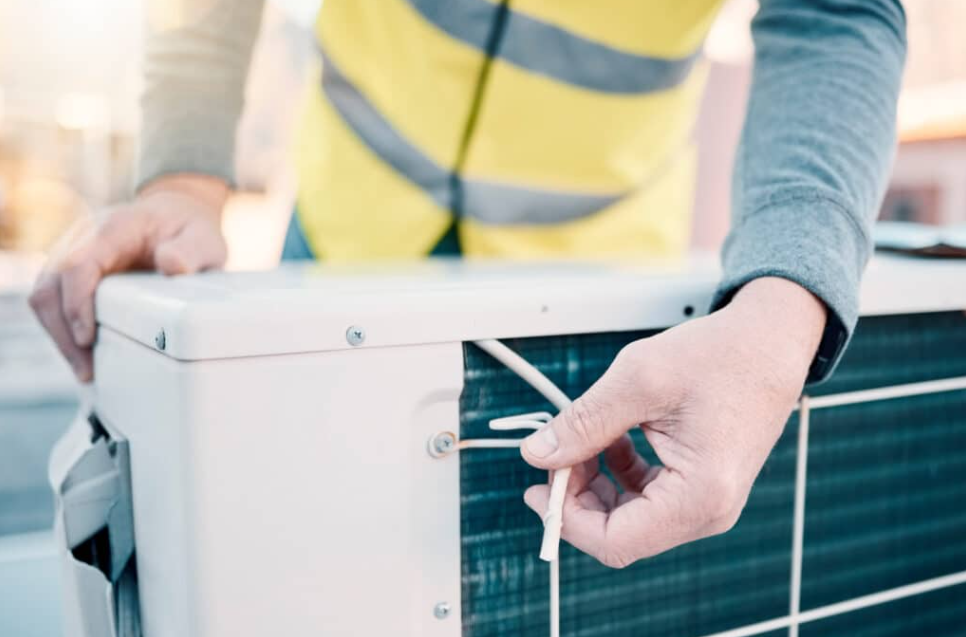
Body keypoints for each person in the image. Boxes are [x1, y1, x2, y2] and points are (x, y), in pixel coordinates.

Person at [30, 0, 906, 568]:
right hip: (339, 245)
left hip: (590, 286)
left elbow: (835, 12)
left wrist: (784, 306)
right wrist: (182, 177)